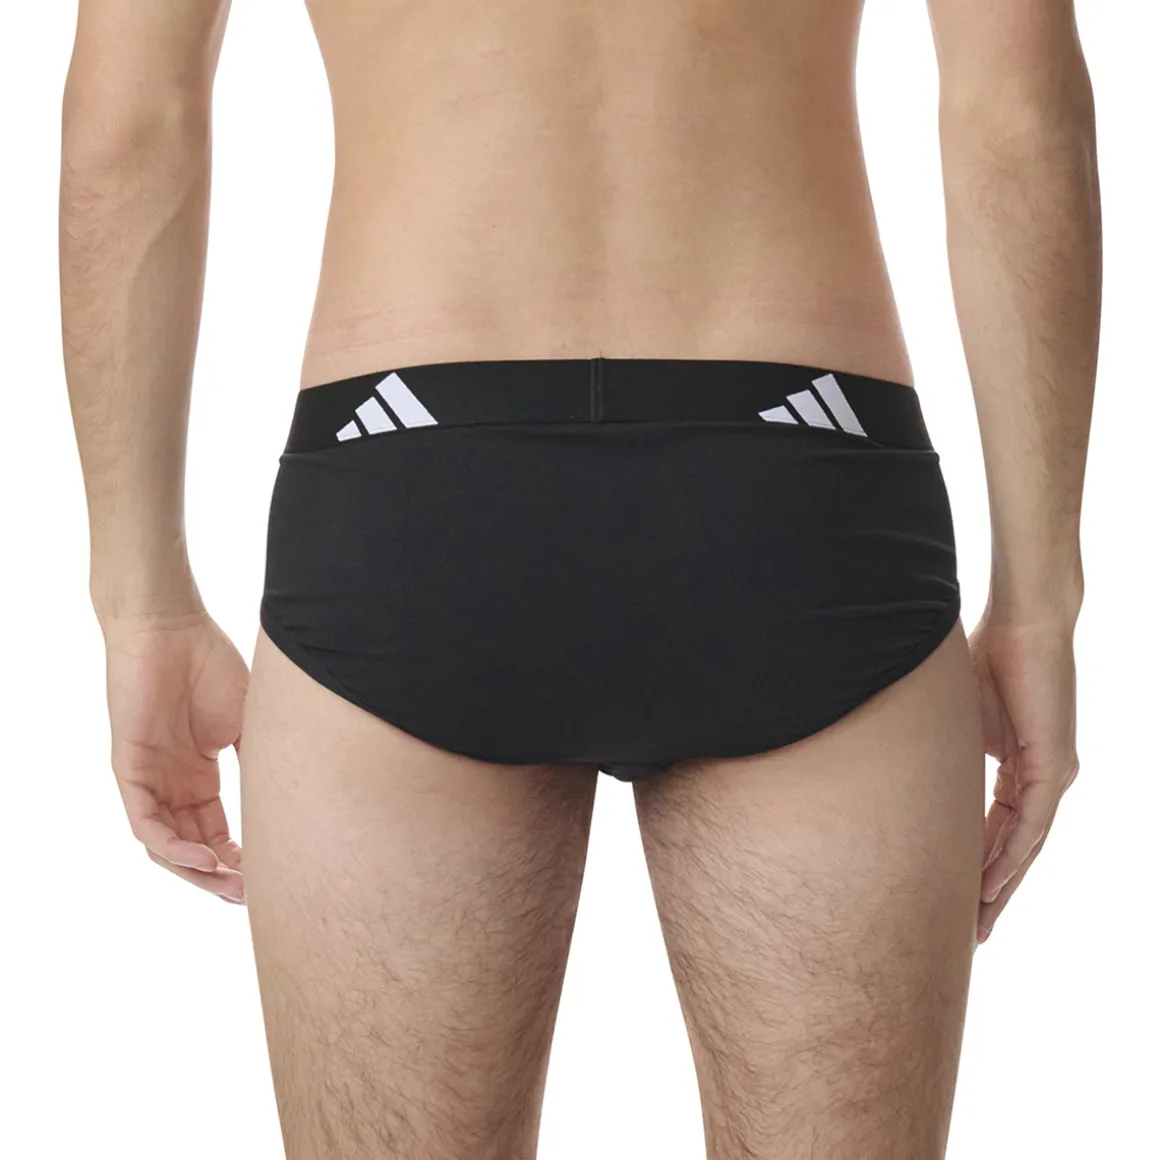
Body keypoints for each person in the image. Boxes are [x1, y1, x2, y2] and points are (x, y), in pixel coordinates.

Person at [58, 0, 1100, 1156]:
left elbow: (131, 124)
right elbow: (1014, 119)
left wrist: (142, 603)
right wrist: (1037, 602)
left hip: (411, 466)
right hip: (798, 467)